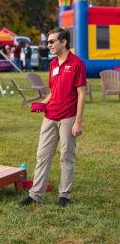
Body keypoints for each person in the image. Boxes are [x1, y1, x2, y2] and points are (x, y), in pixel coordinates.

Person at [20, 28, 86, 207]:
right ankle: (35, 194)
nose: (48, 45)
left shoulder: (77, 64)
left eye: (51, 41)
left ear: (63, 42)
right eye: (48, 42)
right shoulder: (53, 64)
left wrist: (78, 122)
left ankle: (64, 194)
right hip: (50, 116)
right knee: (42, 155)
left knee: (66, 156)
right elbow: (53, 91)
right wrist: (43, 103)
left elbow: (81, 94)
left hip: (68, 117)